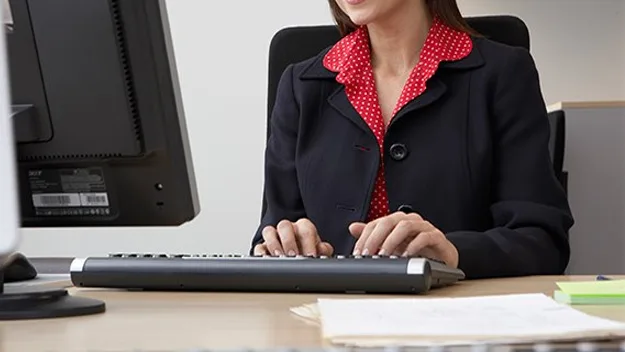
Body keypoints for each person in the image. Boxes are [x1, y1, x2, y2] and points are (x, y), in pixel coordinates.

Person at [250, 0, 574, 279]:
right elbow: (272, 231)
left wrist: (453, 252)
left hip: (458, 321)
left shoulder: (503, 74)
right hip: (325, 321)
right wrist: (282, 243)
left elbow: (543, 239)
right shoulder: (300, 85)